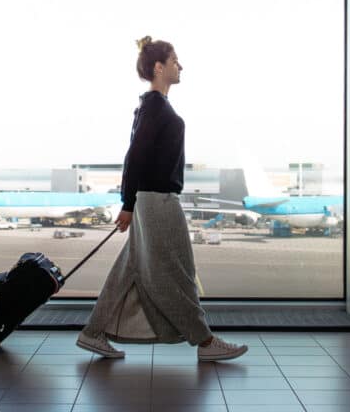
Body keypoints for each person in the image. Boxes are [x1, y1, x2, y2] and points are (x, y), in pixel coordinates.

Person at [76, 36, 248, 362]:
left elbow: (138, 157)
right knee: (177, 271)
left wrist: (131, 204)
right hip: (157, 202)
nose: (180, 66)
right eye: (174, 61)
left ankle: (92, 333)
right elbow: (134, 157)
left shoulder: (155, 106)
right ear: (159, 67)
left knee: (129, 270)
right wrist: (128, 205)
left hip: (152, 200)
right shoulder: (154, 107)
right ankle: (205, 341)